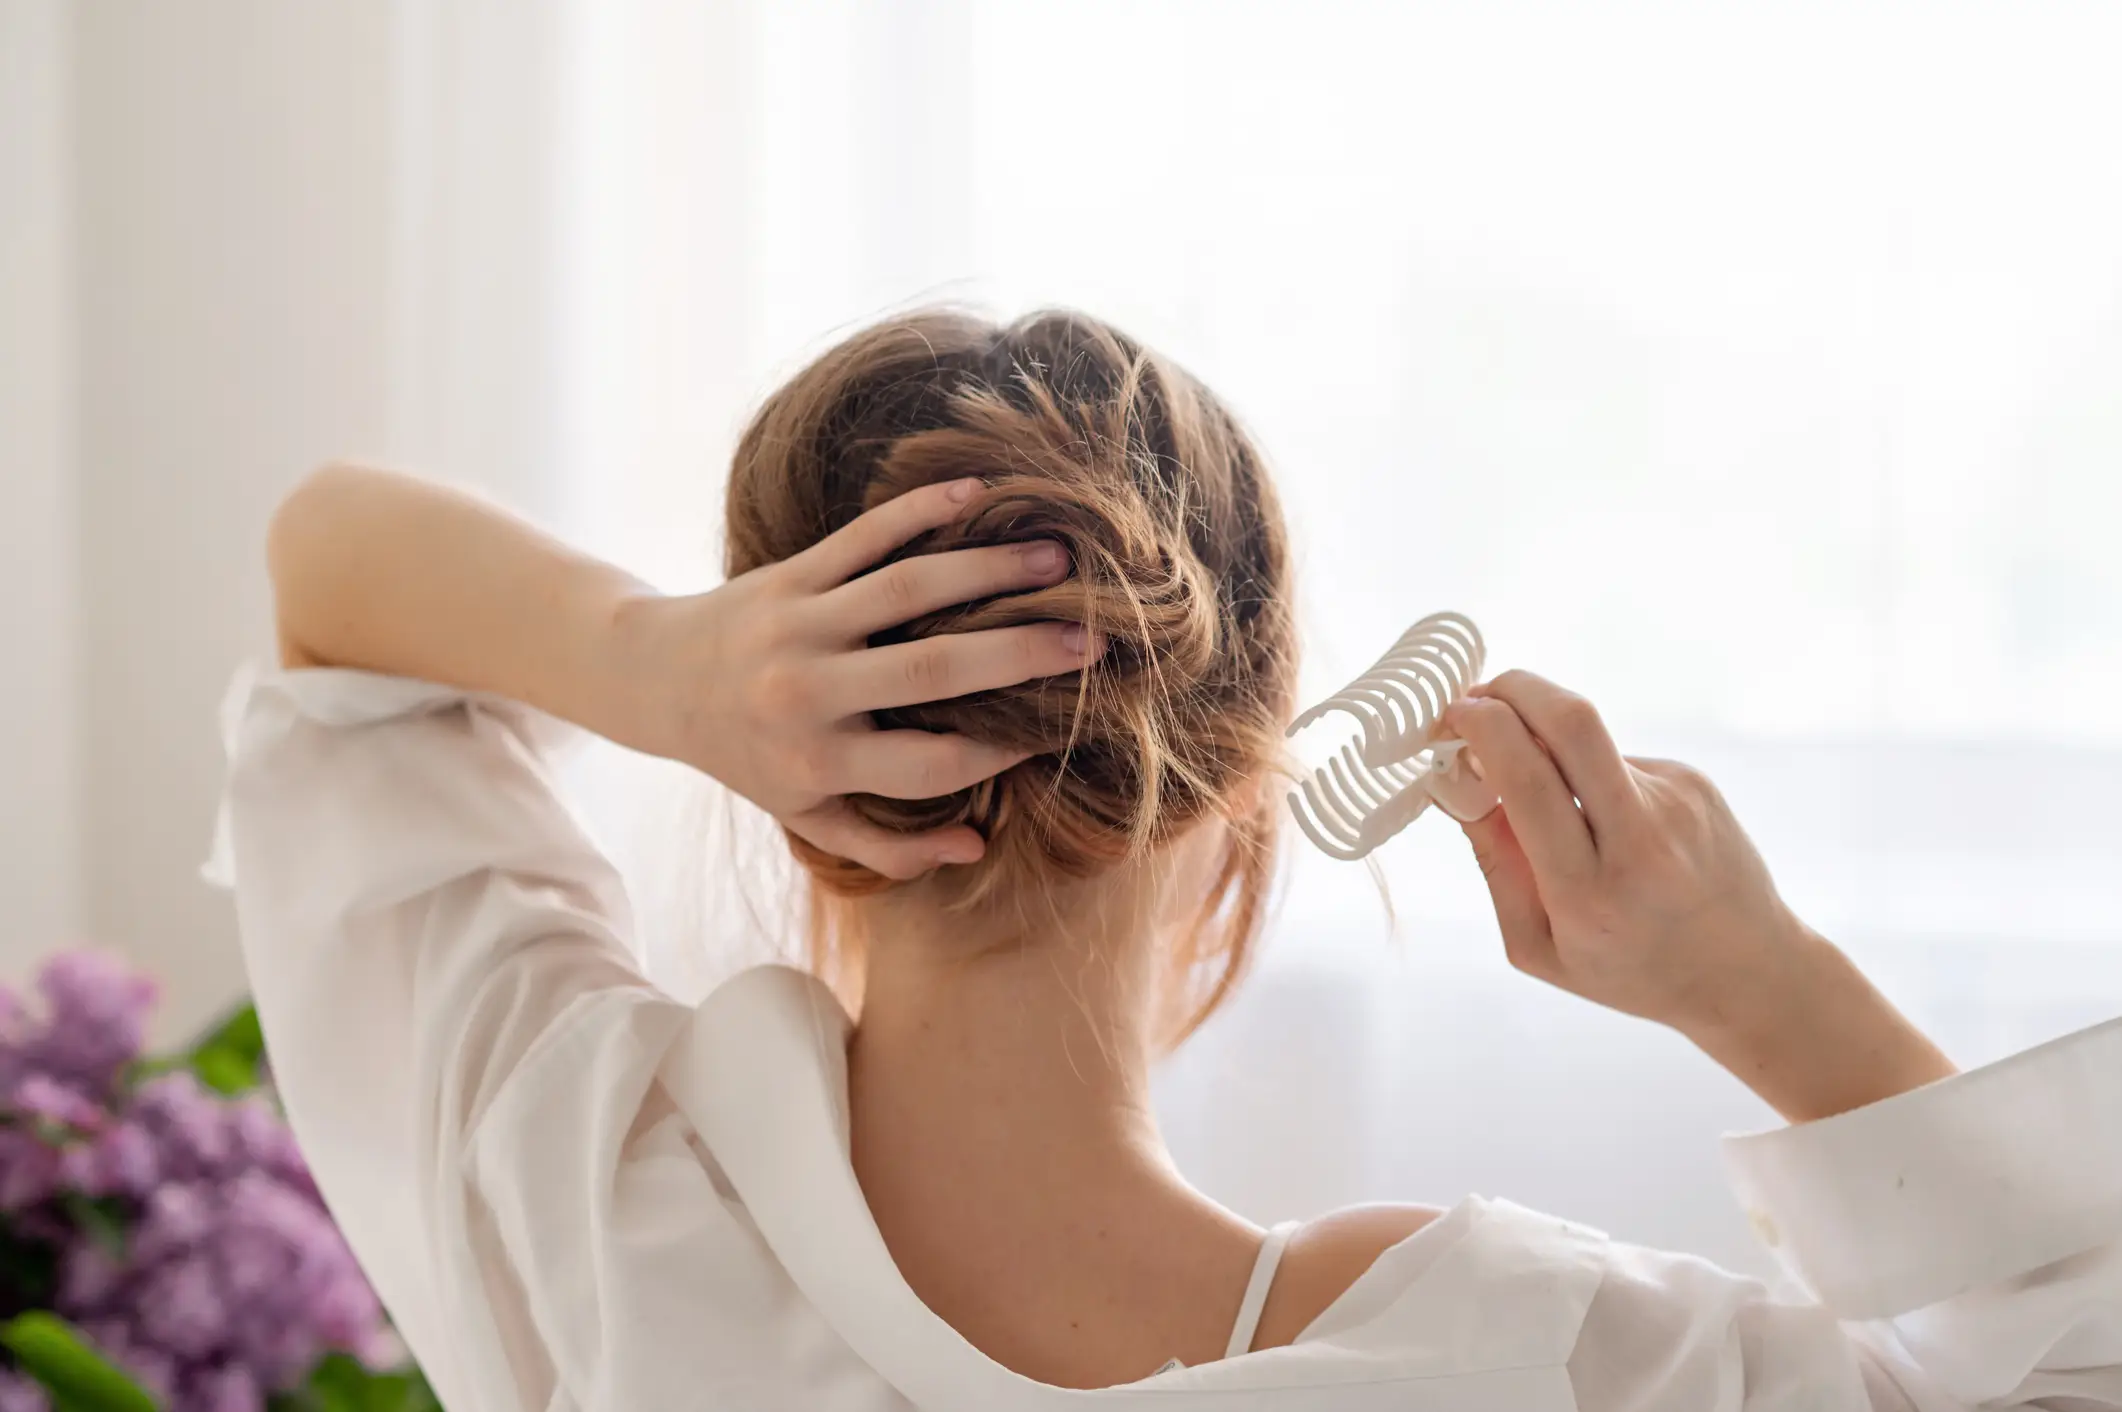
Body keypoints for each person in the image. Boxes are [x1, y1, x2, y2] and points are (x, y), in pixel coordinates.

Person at [211, 309, 2122, 1410]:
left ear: (783, 757)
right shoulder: (1510, 1360)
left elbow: (330, 582)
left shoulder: (581, 1184)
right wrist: (1756, 982)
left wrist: (654, 666)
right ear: (1236, 792)